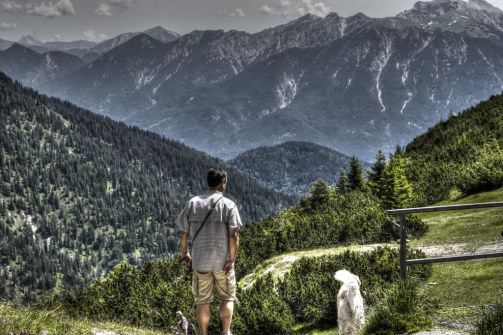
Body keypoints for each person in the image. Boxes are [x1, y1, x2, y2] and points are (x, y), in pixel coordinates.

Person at [176, 168, 242, 335]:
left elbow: (184, 233)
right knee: (227, 297)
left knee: (202, 301)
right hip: (223, 263)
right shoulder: (228, 205)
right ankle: (226, 332)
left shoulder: (193, 203)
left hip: (200, 263)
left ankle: (203, 333)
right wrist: (231, 260)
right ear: (223, 183)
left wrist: (185, 253)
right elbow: (234, 234)